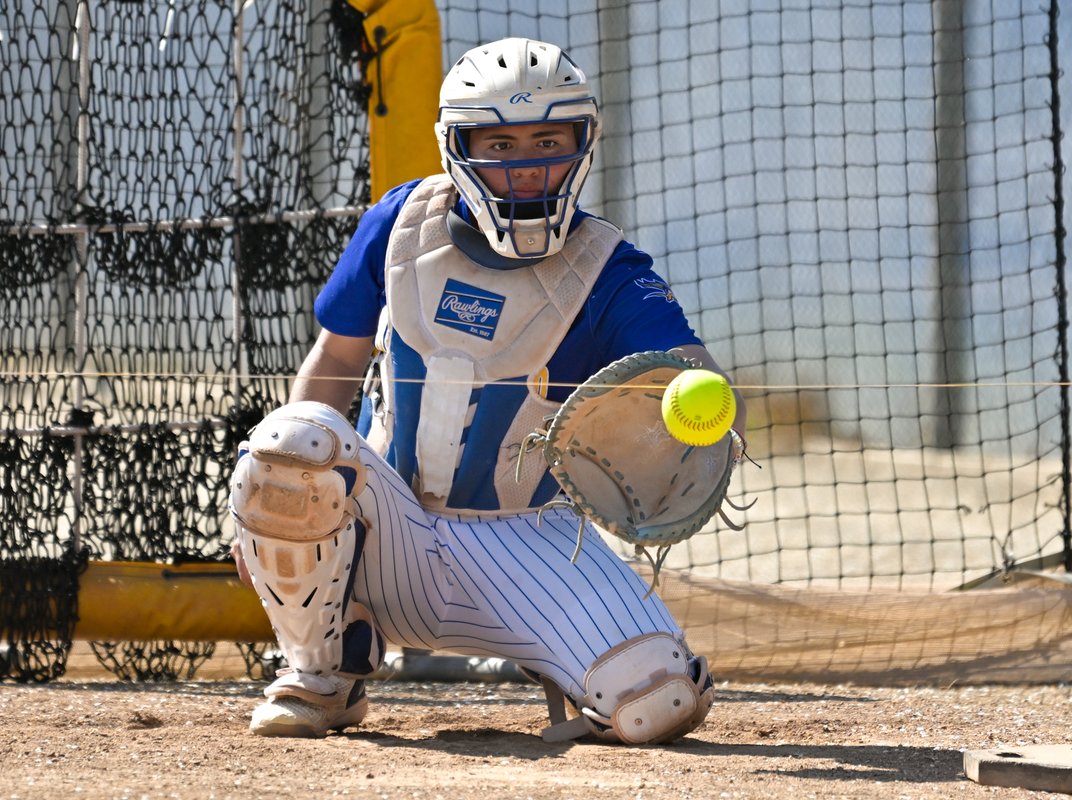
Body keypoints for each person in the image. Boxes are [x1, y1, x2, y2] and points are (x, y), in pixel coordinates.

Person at [228, 37, 745, 743]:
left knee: (658, 706)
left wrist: (694, 401)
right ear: (457, 144)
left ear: (581, 142)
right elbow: (333, 364)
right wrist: (275, 499)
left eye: (547, 139)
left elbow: (689, 373)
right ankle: (324, 672)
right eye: (498, 141)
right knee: (291, 437)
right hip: (386, 533)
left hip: (528, 544)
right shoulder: (398, 223)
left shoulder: (610, 269)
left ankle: (573, 651)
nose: (526, 162)